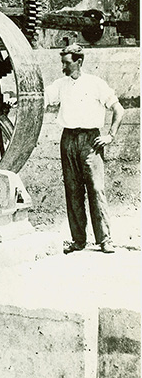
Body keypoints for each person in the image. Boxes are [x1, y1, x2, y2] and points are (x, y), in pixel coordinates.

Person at [44, 43, 124, 254]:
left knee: (96, 189)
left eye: (67, 63)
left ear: (79, 62)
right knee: (72, 190)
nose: (63, 66)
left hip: (91, 141)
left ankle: (105, 240)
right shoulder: (60, 84)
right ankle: (78, 240)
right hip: (68, 139)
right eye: (62, 62)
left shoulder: (96, 84)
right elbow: (42, 98)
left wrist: (110, 136)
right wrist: (17, 100)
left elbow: (119, 110)